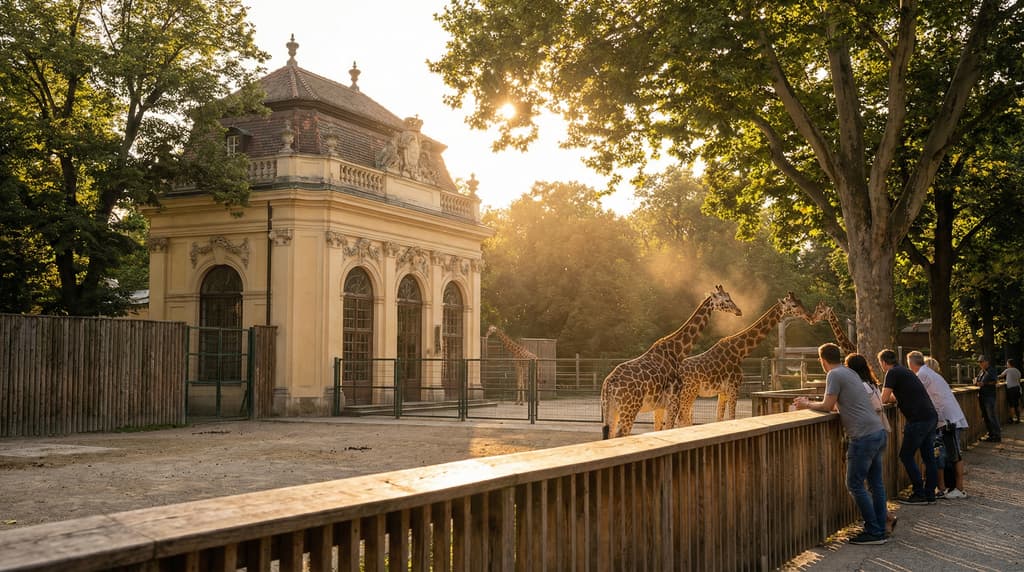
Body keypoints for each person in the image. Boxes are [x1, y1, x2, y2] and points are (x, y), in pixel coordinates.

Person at [794, 343, 888, 545]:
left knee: (854, 484)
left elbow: (828, 406)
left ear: (822, 360)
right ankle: (881, 528)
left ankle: (874, 531)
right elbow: (841, 404)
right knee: (876, 484)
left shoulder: (834, 374)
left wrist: (806, 404)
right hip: (878, 431)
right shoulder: (850, 373)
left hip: (863, 437)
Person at [878, 349, 939, 504]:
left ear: (884, 362)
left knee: (905, 455)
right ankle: (929, 494)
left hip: (918, 420)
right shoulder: (905, 371)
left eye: (881, 364)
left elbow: (883, 399)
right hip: (930, 416)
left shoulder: (892, 373)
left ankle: (919, 493)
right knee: (928, 457)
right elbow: (896, 396)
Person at [906, 352, 968, 499]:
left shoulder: (922, 375)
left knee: (954, 455)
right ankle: (947, 487)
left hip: (948, 420)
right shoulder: (929, 373)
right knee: (944, 454)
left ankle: (959, 489)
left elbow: (912, 394)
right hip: (946, 419)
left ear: (910, 363)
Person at [975, 356, 1001, 442]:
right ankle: (991, 434)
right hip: (982, 396)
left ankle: (997, 435)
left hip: (989, 396)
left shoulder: (991, 370)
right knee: (985, 416)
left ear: (987, 362)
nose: (980, 364)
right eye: (979, 362)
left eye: (981, 362)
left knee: (991, 416)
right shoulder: (981, 371)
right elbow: (977, 380)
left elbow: (995, 381)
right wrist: (976, 382)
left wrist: (984, 384)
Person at [998, 358, 1021, 424]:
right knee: (1017, 404)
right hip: (1017, 388)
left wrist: (994, 377)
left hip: (1011, 389)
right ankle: (1018, 419)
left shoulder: (1008, 370)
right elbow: (1018, 380)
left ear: (1009, 364)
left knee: (1011, 404)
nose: (1006, 365)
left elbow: (1001, 376)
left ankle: (1011, 419)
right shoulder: (1017, 371)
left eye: (1007, 363)